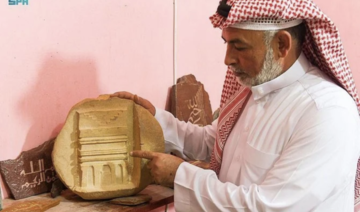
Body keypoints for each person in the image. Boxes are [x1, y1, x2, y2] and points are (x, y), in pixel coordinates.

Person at [111, 0, 360, 211]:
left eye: (238, 46)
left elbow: (266, 206)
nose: (227, 59)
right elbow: (214, 143)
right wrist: (155, 121)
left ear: (282, 45)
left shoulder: (326, 112)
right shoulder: (254, 90)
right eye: (226, 43)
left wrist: (181, 176)